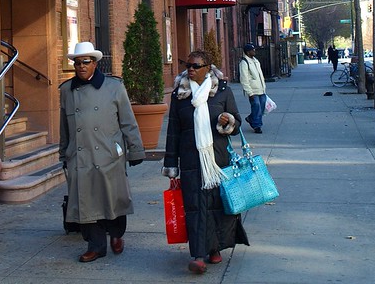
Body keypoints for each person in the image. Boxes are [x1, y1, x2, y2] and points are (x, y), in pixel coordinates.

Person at [162, 50, 249, 275]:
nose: (191, 69)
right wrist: (171, 165)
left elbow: (237, 124)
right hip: (191, 160)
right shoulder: (180, 94)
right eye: (188, 65)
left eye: (196, 66)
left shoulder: (222, 91)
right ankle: (198, 255)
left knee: (217, 205)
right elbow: (173, 131)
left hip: (218, 160)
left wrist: (228, 121)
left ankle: (215, 248)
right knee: (195, 207)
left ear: (207, 68)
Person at [59, 42, 146, 263]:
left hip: (108, 153)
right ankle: (95, 246)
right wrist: (64, 154)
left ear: (95, 63)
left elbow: (128, 121)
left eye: (85, 62)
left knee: (113, 198)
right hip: (80, 156)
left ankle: (116, 234)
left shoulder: (114, 87)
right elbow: (64, 126)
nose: (81, 66)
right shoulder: (67, 90)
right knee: (86, 201)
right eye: (77, 62)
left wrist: (135, 150)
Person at [239, 43, 266, 134]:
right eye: (252, 50)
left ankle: (251, 118)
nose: (254, 51)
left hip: (261, 89)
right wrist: (249, 92)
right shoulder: (244, 63)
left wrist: (264, 87)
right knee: (256, 106)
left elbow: (260, 75)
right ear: (248, 52)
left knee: (262, 106)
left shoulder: (256, 61)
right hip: (253, 90)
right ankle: (257, 125)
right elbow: (244, 79)